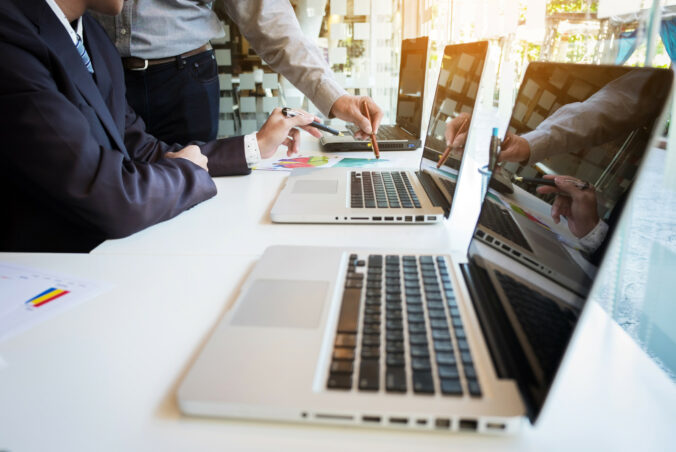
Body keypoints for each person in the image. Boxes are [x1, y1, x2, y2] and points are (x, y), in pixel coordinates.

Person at [0, 0, 321, 253]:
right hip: (48, 271)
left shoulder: (92, 38)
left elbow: (140, 148)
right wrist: (186, 172)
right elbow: (108, 197)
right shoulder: (11, 38)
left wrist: (254, 146)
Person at [90, 1, 383, 145]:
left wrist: (335, 97)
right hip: (96, 75)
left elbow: (270, 21)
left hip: (185, 81)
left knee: (190, 197)